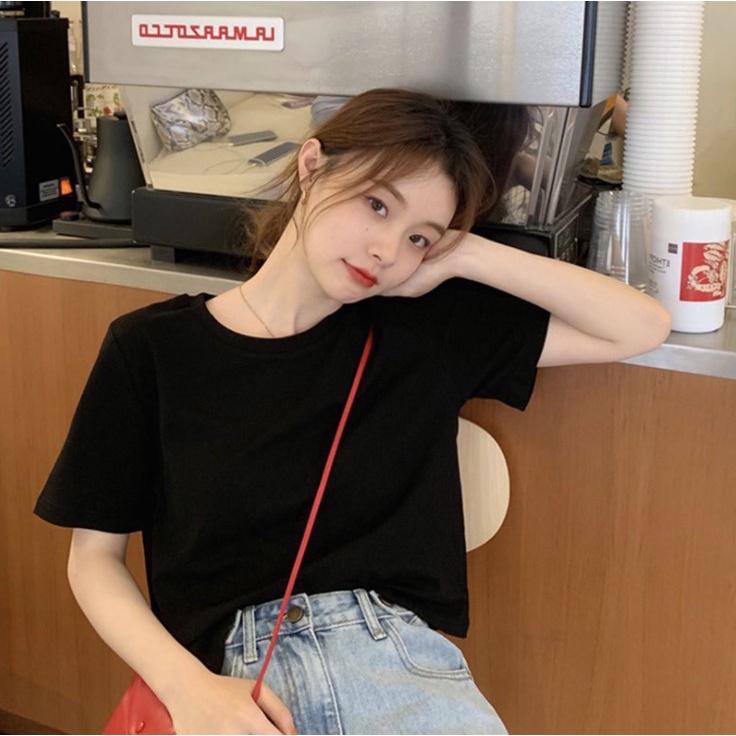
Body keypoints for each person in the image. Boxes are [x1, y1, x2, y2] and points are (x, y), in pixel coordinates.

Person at [34, 88, 671, 736]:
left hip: (391, 669)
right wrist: (187, 687)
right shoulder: (152, 349)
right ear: (312, 165)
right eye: (377, 204)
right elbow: (93, 559)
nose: (387, 250)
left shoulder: (423, 333)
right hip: (228, 686)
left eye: (418, 237)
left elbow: (640, 325)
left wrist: (465, 252)